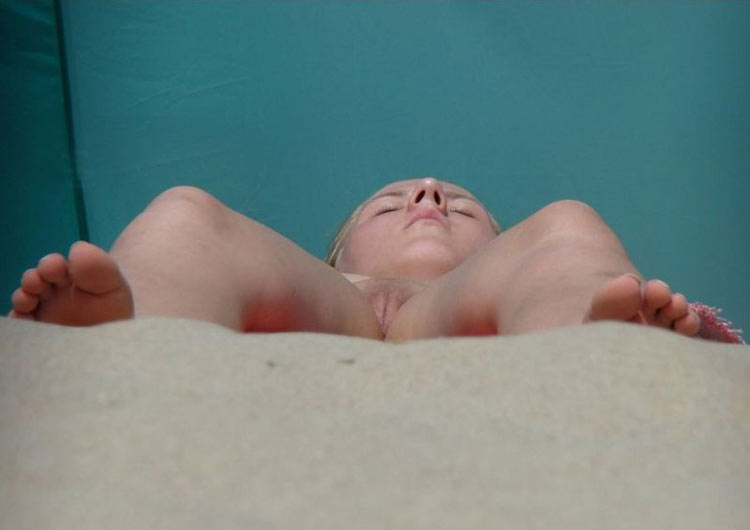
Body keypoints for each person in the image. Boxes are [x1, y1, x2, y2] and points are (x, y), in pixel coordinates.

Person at [8, 177, 700, 342]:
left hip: (468, 307)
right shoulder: (316, 277)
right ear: (336, 253)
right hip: (328, 307)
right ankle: (134, 325)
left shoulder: (509, 265)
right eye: (387, 204)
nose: (428, 195)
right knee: (188, 213)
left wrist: (540, 272)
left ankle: (587, 330)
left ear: (499, 249)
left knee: (566, 226)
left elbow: (539, 249)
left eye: (461, 208)